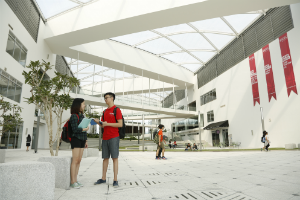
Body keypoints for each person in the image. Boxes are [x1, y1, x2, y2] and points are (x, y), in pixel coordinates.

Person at [94, 92, 123, 187]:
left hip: (114, 136)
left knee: (115, 158)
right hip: (105, 137)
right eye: (104, 98)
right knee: (105, 158)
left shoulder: (116, 110)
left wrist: (107, 124)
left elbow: (120, 124)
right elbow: (103, 125)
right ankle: (103, 178)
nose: (105, 100)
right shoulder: (104, 111)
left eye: (106, 98)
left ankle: (115, 180)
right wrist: (98, 122)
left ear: (112, 98)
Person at [70, 98, 89, 189]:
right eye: (83, 104)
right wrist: (84, 129)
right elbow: (74, 129)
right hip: (76, 139)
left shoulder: (82, 116)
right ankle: (72, 181)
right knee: (75, 160)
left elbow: (84, 131)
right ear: (78, 105)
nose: (84, 105)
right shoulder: (74, 116)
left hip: (82, 139)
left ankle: (76, 180)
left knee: (79, 160)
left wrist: (86, 141)